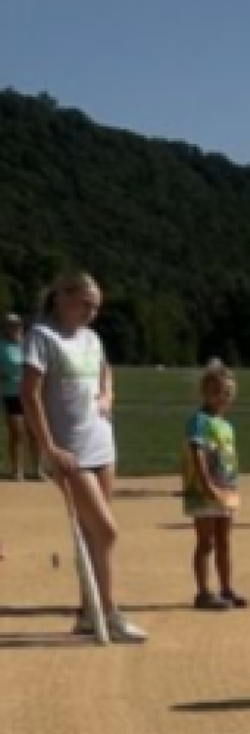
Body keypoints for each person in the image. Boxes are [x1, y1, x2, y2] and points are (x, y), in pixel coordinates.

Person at [22, 270, 146, 643]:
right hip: (69, 450)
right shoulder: (42, 337)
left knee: (96, 535)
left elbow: (105, 372)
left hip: (101, 443)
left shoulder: (92, 338)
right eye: (85, 303)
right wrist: (48, 447)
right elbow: (29, 394)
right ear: (62, 297)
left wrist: (108, 394)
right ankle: (108, 612)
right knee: (107, 531)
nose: (91, 312)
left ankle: (88, 612)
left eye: (96, 307)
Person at [184, 360, 246, 610]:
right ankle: (203, 592)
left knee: (224, 541)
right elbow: (197, 452)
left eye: (228, 393)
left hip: (226, 489)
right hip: (204, 490)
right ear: (206, 392)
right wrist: (206, 482)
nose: (223, 397)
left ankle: (226, 588)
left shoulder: (226, 424)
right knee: (205, 541)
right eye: (218, 392)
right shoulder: (199, 420)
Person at [3, 313, 35, 482]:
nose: (14, 328)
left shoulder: (28, 345)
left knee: (35, 432)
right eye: (10, 325)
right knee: (17, 432)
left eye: (17, 325)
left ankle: (37, 469)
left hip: (31, 393)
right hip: (11, 393)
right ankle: (17, 470)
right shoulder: (2, 347)